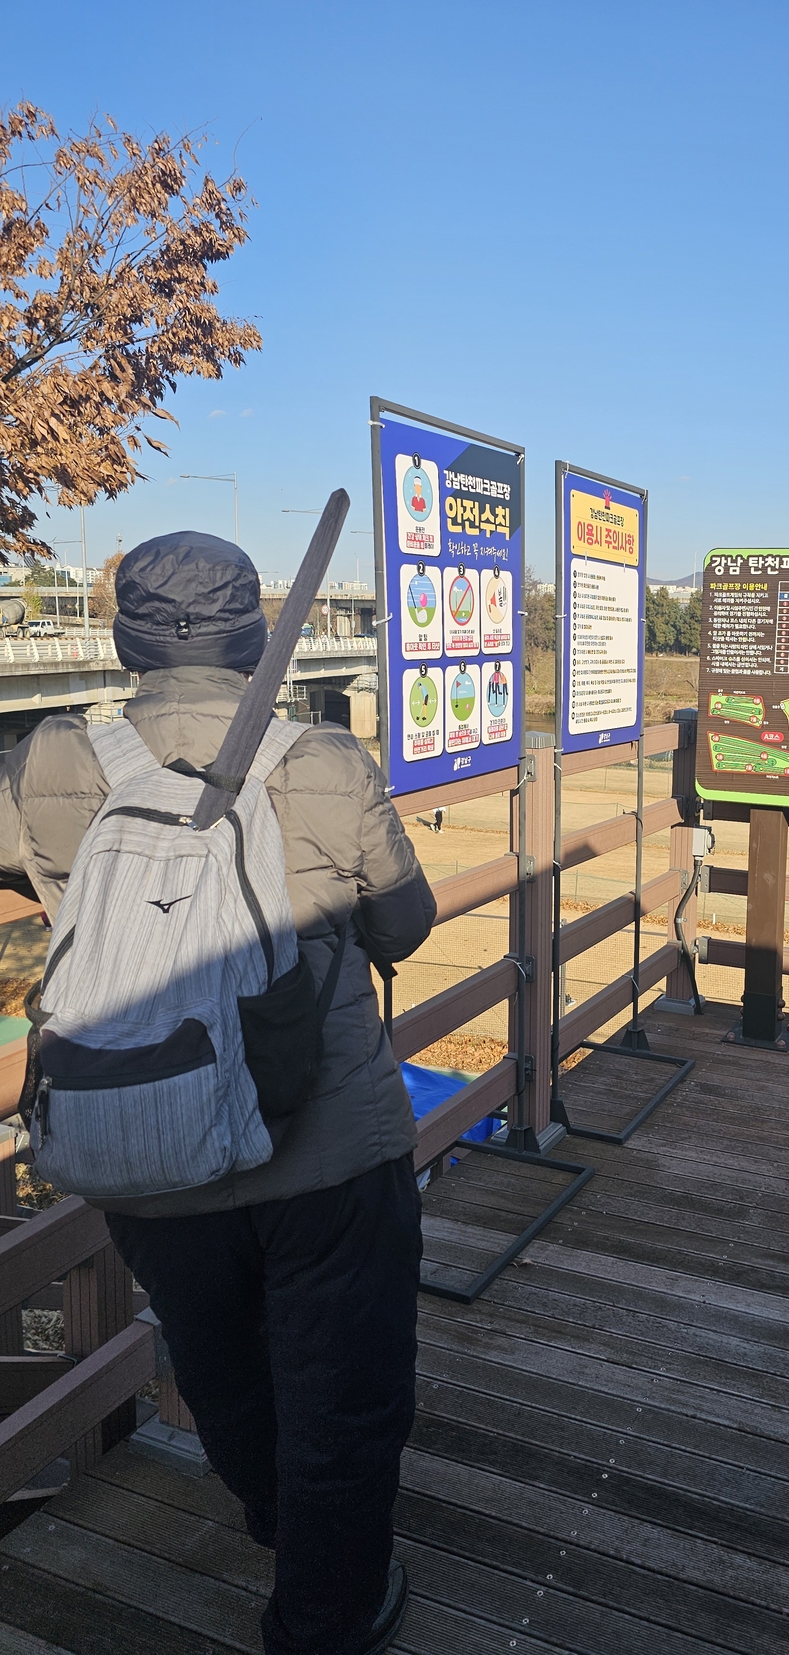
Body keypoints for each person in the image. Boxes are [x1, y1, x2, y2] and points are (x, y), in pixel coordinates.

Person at [0, 532, 436, 1655]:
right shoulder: (322, 758)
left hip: (147, 1124)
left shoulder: (57, 757)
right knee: (345, 1384)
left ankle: (283, 1523)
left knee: (222, 1365)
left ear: (125, 636)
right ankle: (328, 1611)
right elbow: (402, 923)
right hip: (326, 1138)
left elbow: (47, 882)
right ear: (253, 630)